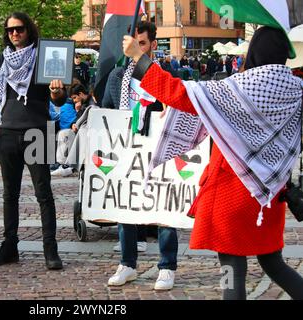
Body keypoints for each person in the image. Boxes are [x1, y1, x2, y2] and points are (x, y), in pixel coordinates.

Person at [124, 25, 303, 300]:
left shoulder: (238, 88)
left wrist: (139, 58)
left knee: (232, 267)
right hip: (269, 194)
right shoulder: (297, 90)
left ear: (253, 52)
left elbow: (180, 93)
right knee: (273, 263)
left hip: (232, 192)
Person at [0, 11, 67, 270]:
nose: (14, 34)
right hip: (8, 133)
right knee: (10, 195)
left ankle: (51, 250)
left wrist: (58, 90)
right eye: (10, 30)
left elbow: (60, 99)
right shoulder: (3, 61)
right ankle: (10, 247)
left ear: (28, 30)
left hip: (38, 131)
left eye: (19, 29)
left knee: (44, 194)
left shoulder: (44, 56)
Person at [103, 21, 179, 290]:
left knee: (163, 207)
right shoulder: (116, 77)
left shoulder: (167, 74)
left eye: (141, 44)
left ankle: (167, 265)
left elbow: (180, 105)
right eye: (130, 44)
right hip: (127, 150)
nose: (134, 49)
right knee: (125, 205)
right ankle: (128, 263)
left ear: (153, 45)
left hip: (160, 149)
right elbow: (107, 114)